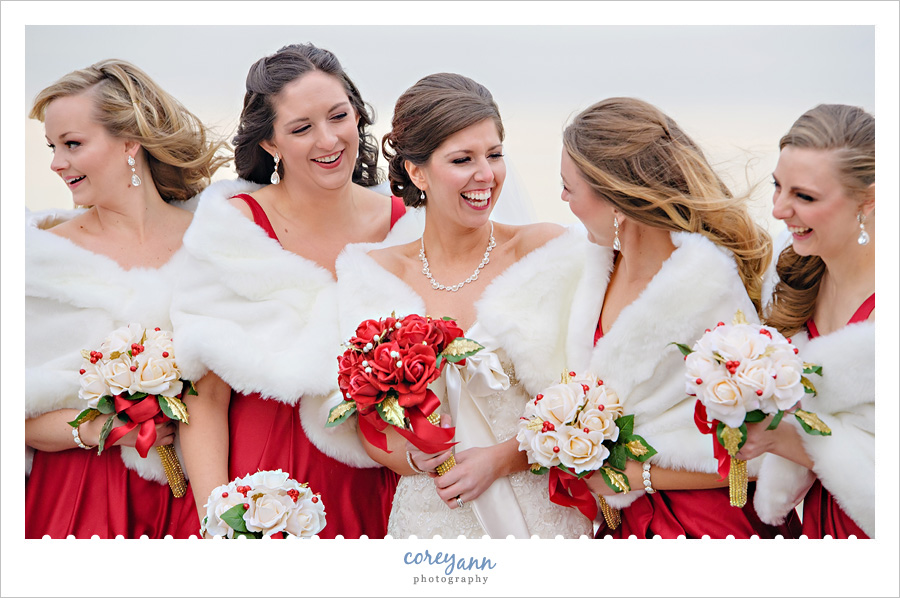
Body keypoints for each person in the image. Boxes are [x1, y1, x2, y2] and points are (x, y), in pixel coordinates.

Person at [335, 73, 593, 539]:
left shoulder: (546, 254)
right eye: (462, 159)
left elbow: (591, 399)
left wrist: (501, 459)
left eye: (494, 154)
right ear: (417, 172)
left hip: (540, 511)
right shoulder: (372, 277)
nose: (486, 175)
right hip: (432, 517)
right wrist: (414, 458)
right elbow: (366, 427)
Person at [171, 43, 411, 538]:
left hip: (382, 477)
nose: (329, 139)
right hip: (263, 479)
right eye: (302, 128)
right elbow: (204, 396)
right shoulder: (234, 231)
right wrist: (220, 519)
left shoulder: (404, 226)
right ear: (271, 144)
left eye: (339, 116)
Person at [560, 97, 800, 538]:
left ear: (614, 196)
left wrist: (640, 477)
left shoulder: (708, 287)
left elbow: (762, 451)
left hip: (705, 525)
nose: (562, 198)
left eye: (569, 187)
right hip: (623, 525)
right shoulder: (593, 276)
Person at [25, 59, 227, 538]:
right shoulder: (40, 260)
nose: (57, 162)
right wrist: (94, 429)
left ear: (130, 142)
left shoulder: (217, 241)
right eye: (53, 147)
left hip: (201, 490)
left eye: (72, 144)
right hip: (84, 495)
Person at [739, 105, 875, 538]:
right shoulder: (795, 281)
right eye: (778, 187)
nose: (779, 210)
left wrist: (804, 445)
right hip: (814, 526)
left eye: (804, 197)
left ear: (868, 201)